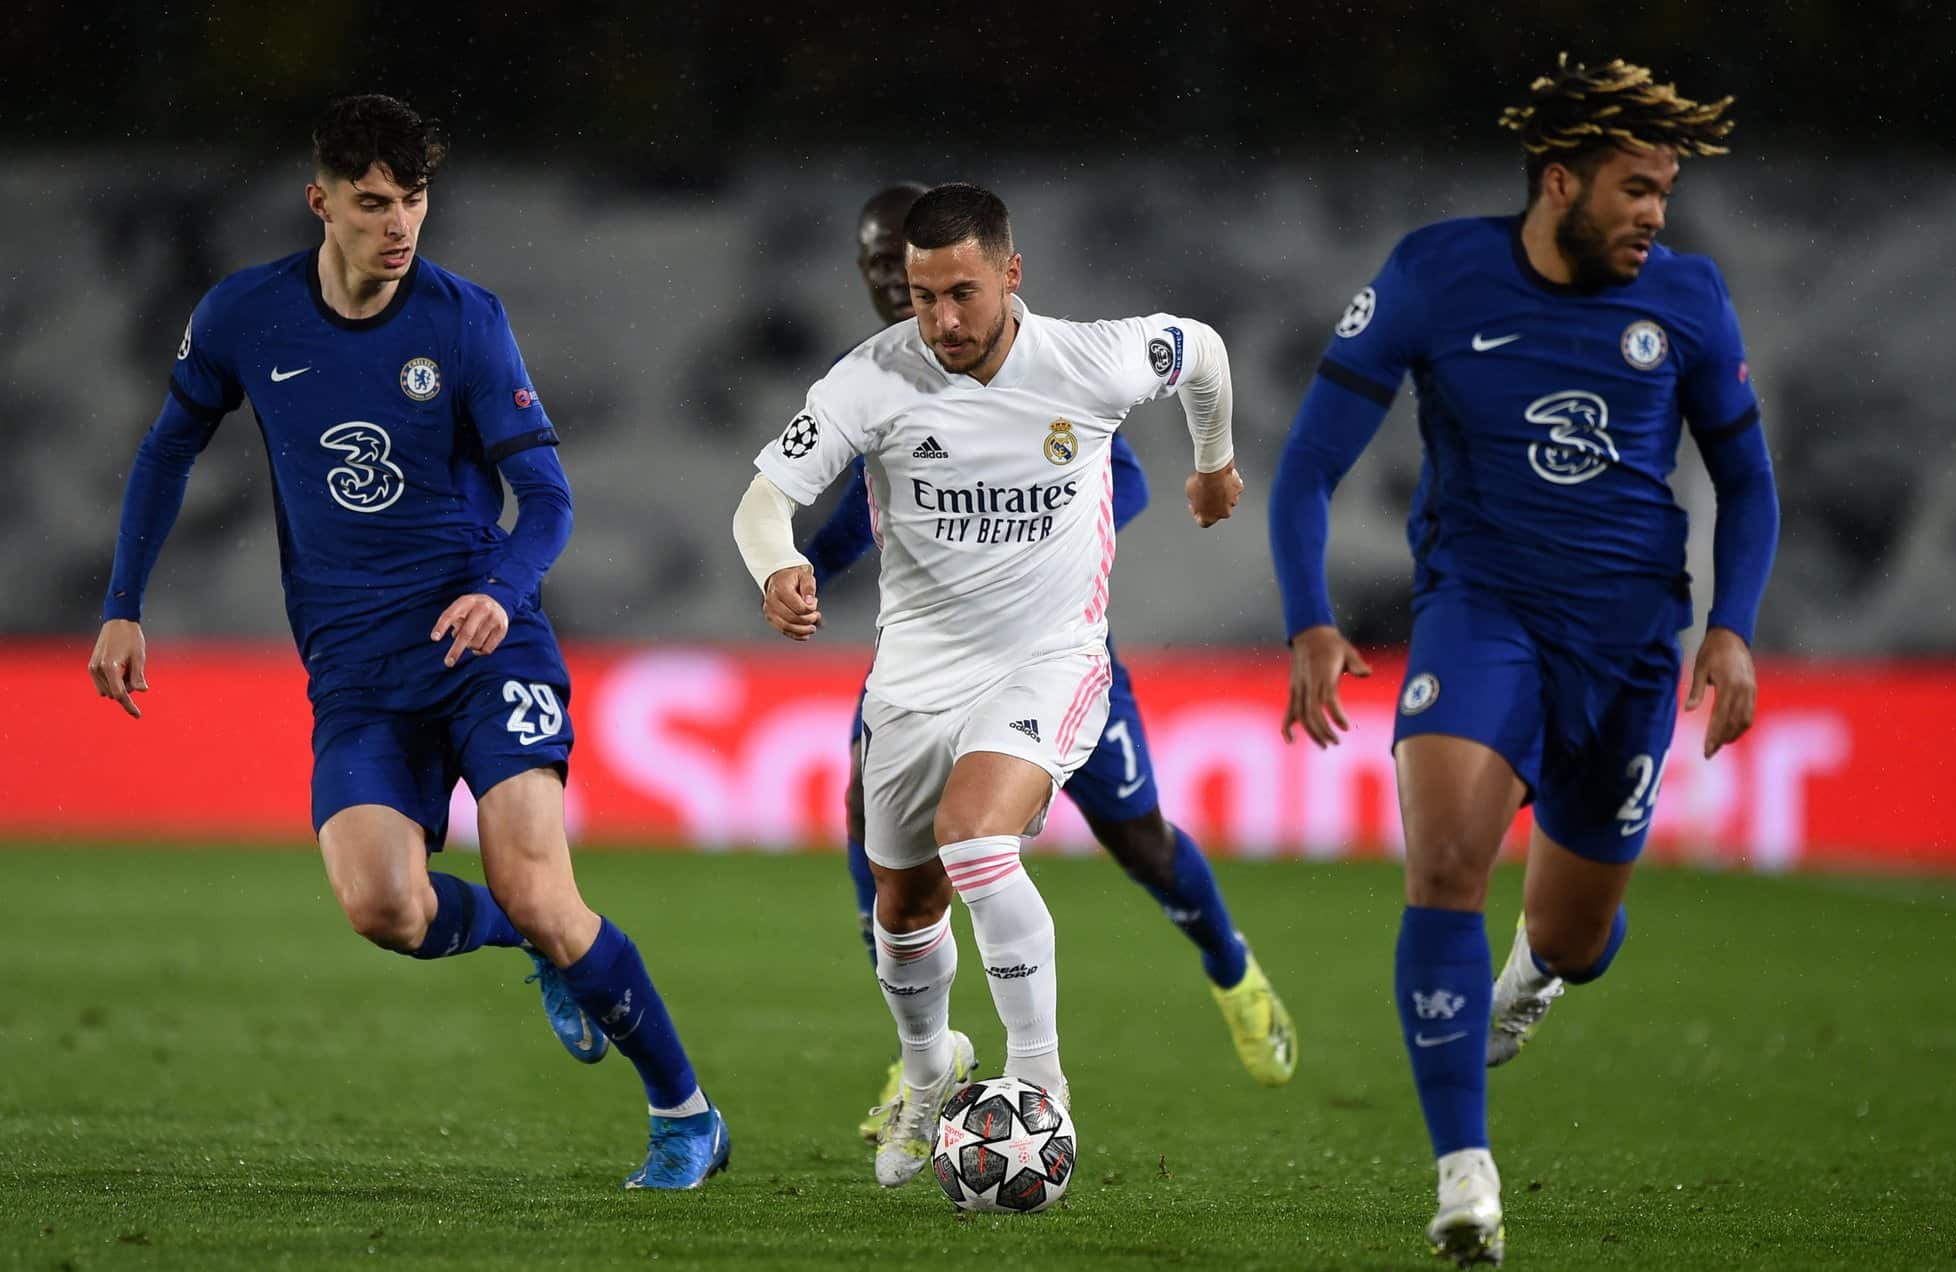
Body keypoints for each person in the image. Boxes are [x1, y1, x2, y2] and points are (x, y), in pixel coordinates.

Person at [86, 94, 727, 1190]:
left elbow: (548, 495)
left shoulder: (463, 321)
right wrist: (122, 602)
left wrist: (502, 589)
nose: (399, 225)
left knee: (537, 882)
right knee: (383, 906)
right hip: (357, 673)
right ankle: (535, 951)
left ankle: (684, 1115)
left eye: (415, 200)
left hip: (488, 646)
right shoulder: (244, 317)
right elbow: (164, 451)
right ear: (320, 202)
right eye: (374, 203)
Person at [1267, 55, 1778, 1266]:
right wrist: (1310, 615)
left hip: (1627, 643)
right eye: (1634, 188)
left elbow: (1745, 478)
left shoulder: (1692, 303)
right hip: (1478, 610)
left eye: (1663, 190)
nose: (1655, 214)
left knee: (1578, 934)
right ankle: (1464, 1173)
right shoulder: (1434, 273)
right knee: (1444, 862)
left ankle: (1535, 975)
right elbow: (1305, 466)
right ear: (1559, 182)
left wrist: (1733, 622)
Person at [733, 182, 1244, 1187]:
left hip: (1047, 659)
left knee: (975, 837)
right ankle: (929, 1073)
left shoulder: (1090, 358)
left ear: (1011, 275)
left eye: (961, 293)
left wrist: (1213, 463)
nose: (941, 322)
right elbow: (763, 503)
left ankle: (1038, 1085)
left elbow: (1203, 350)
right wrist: (775, 567)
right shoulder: (868, 379)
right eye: (922, 299)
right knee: (902, 905)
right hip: (915, 680)